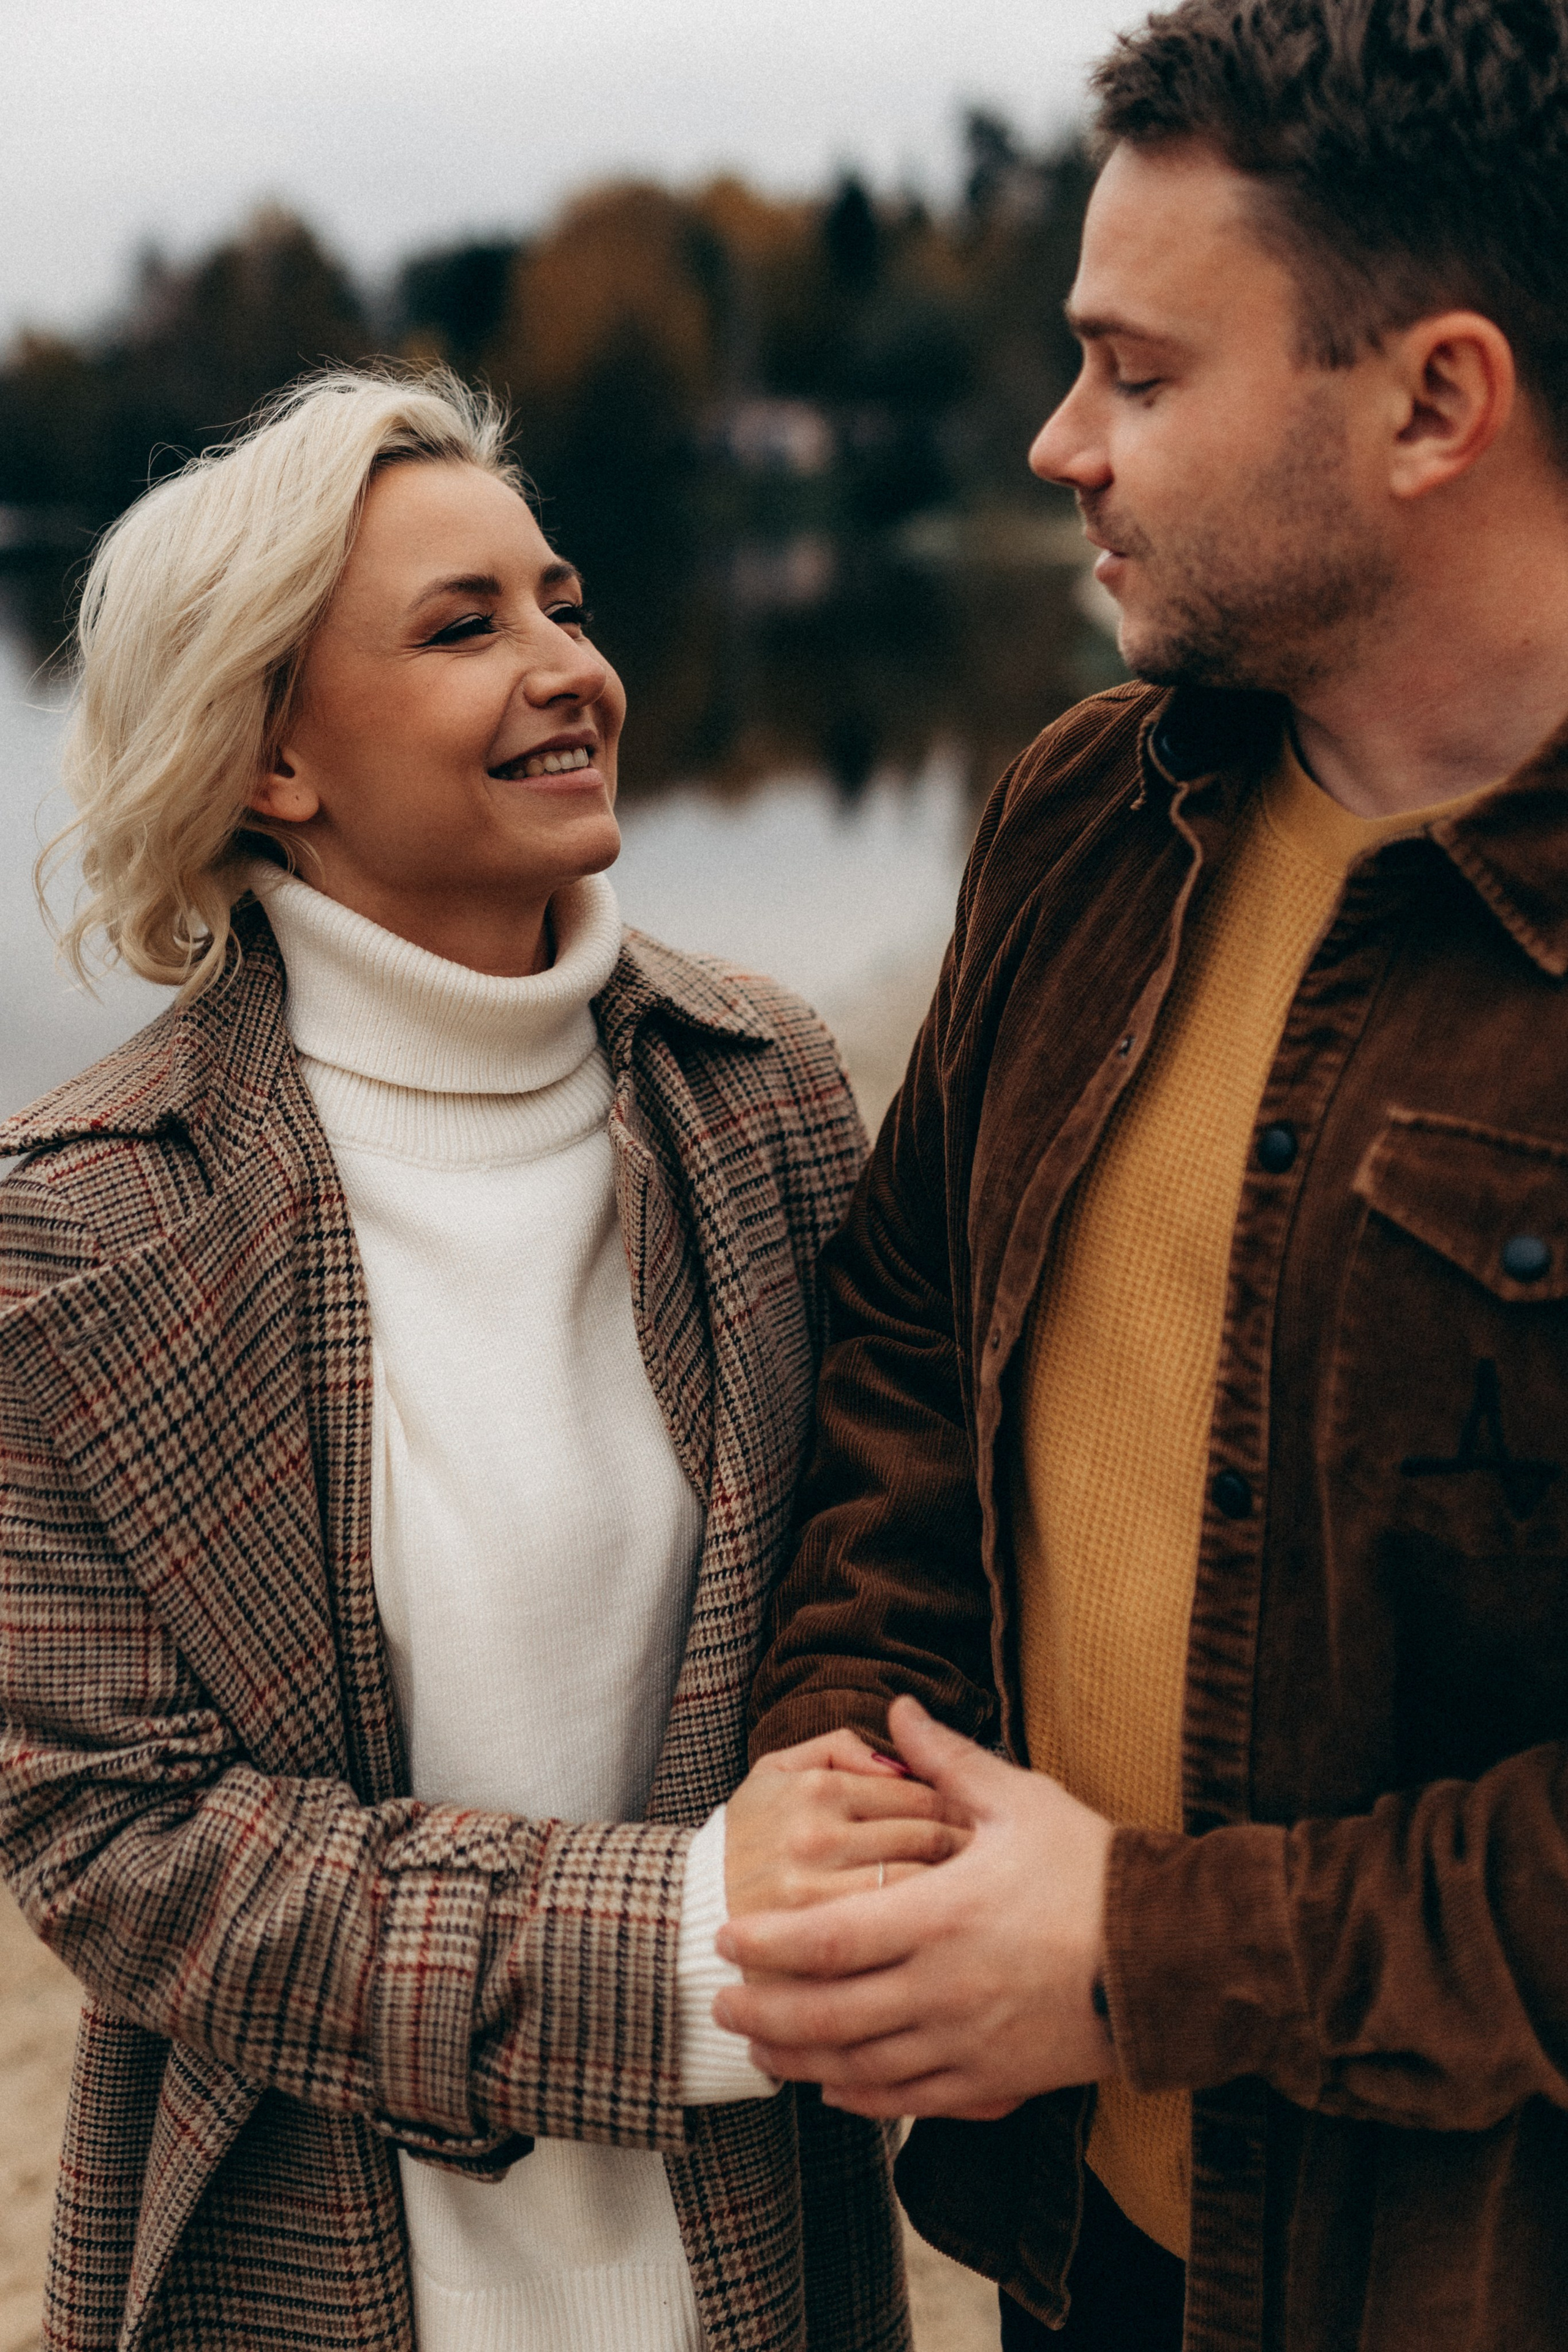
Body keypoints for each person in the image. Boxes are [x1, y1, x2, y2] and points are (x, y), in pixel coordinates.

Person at [719, 4, 1568, 2348]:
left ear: (1433, 404)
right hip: (1091, 2259)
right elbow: (906, 1330)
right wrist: (843, 1749)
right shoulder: (1092, 817)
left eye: (1138, 373)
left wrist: (1137, 1956)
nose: (1056, 442)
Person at [0, 368, 953, 2352]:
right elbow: (119, 1844)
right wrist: (682, 1943)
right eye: (465, 627)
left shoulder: (762, 1087)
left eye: (564, 601)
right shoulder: (76, 1225)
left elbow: (889, 1544)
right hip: (309, 2262)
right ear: (273, 757)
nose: (570, 668)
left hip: (752, 2244)